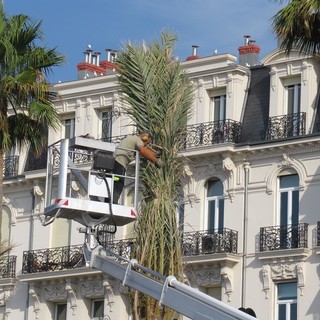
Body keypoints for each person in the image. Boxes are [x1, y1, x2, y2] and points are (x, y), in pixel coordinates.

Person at [112, 132, 162, 204]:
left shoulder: (130, 138)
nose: (146, 145)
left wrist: (155, 154)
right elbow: (143, 151)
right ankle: (113, 201)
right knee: (119, 181)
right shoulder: (138, 140)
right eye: (147, 143)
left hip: (115, 160)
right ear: (145, 138)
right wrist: (155, 160)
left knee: (114, 180)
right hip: (121, 161)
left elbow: (145, 150)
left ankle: (109, 200)